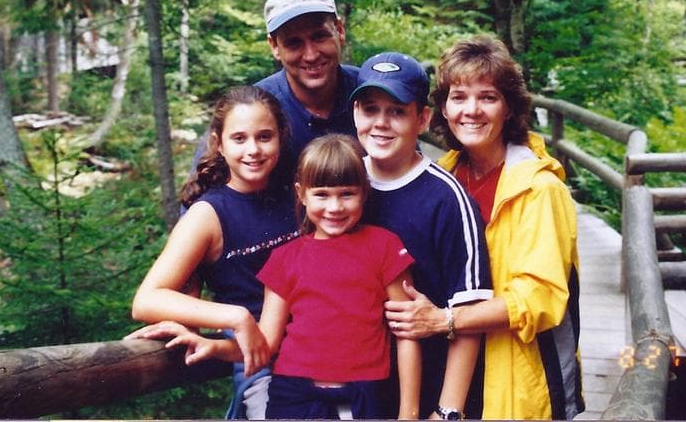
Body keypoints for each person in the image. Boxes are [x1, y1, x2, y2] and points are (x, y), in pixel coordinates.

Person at [384, 34, 584, 419]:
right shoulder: (443, 178)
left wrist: (445, 319)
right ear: (442, 108)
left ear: (509, 108)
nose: (471, 110)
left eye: (488, 97)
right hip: (448, 376)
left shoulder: (540, 188)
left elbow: (540, 297)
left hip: (517, 378)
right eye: (458, 97)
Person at [170, 134, 421, 420]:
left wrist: (409, 413)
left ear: (364, 192)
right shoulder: (284, 259)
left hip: (367, 392)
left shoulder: (385, 246)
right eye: (322, 194)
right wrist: (214, 347)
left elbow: (408, 333)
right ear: (302, 194)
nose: (335, 207)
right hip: (294, 394)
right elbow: (266, 342)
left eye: (347, 194)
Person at [125, 85, 300, 419]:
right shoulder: (207, 215)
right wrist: (234, 316)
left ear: (281, 137)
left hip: (319, 349)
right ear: (219, 144)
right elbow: (147, 299)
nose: (253, 150)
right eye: (239, 139)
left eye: (265, 137)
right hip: (260, 362)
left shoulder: (295, 193)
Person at [350, 52, 494, 420]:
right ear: (355, 114)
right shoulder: (344, 185)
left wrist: (447, 411)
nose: (381, 123)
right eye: (370, 109)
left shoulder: (447, 198)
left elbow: (470, 311)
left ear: (423, 119)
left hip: (429, 394)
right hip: (356, 394)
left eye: (397, 111)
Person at [256, 0, 360, 180]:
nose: (311, 55)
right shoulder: (252, 110)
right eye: (294, 43)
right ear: (274, 46)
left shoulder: (371, 93)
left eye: (320, 36)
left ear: (340, 30)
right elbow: (204, 195)